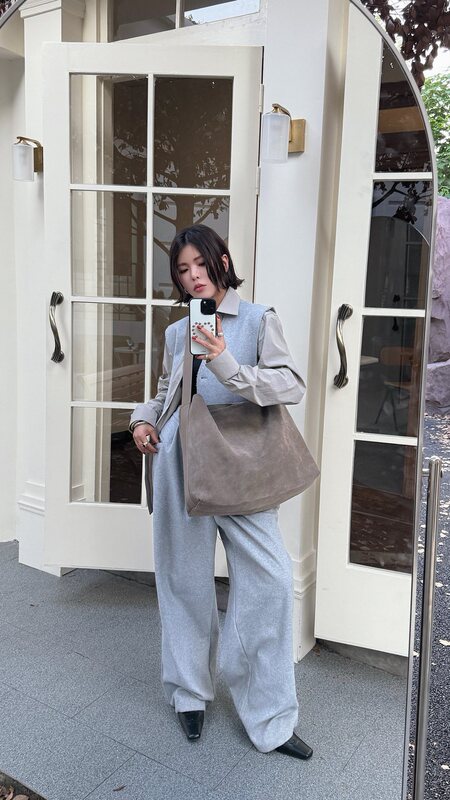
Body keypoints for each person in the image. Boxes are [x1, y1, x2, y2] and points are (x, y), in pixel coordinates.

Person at [129, 224, 312, 760]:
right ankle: (189, 692)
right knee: (182, 578)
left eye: (199, 265)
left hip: (241, 465)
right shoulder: (176, 331)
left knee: (271, 582)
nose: (192, 277)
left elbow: (291, 385)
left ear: (222, 262)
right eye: (182, 270)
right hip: (179, 459)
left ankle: (270, 716)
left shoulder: (259, 319)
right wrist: (143, 421)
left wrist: (228, 364)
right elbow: (166, 391)